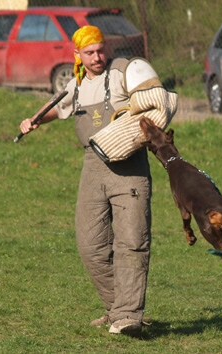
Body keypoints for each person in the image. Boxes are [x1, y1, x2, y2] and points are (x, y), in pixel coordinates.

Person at [19, 25, 176, 337]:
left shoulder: (121, 72)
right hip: (92, 165)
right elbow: (58, 106)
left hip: (129, 165)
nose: (97, 57)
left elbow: (153, 100)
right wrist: (33, 121)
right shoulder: (75, 85)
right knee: (90, 244)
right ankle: (116, 307)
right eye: (89, 53)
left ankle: (128, 315)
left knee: (132, 240)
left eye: (101, 50)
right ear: (77, 55)